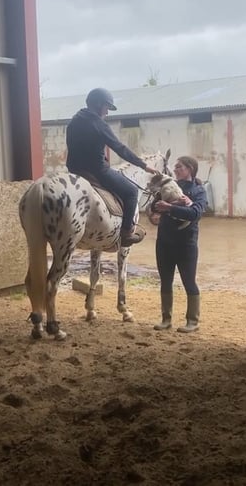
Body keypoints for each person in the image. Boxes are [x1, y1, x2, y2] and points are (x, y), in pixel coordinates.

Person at [66, 87, 159, 246]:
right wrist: (143, 165)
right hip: (97, 171)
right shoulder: (98, 124)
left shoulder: (74, 121)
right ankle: (127, 233)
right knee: (131, 192)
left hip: (74, 170)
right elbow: (119, 148)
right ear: (98, 104)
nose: (107, 112)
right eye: (106, 108)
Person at [148, 155, 207, 332]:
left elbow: (195, 214)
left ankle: (192, 321)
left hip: (186, 243)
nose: (175, 170)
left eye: (179, 167)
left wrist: (170, 208)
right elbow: (153, 206)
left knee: (189, 281)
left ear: (189, 169)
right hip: (165, 241)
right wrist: (166, 205)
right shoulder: (168, 185)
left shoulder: (199, 191)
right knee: (165, 281)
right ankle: (166, 319)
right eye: (175, 167)